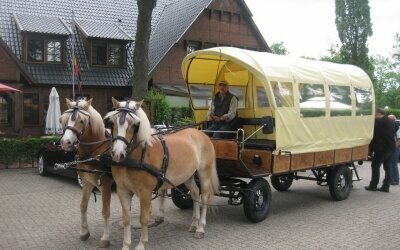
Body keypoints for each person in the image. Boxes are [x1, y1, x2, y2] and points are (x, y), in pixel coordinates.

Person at [365, 108, 396, 192]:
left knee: (375, 166)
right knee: (387, 167)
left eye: (374, 114)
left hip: (381, 148)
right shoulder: (391, 121)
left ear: (378, 113)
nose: (374, 116)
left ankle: (373, 185)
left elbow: (372, 133)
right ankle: (386, 187)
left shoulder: (378, 122)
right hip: (391, 147)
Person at [388, 114, 400, 185]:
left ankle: (395, 180)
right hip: (391, 148)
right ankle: (391, 179)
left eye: (389, 119)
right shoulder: (391, 127)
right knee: (390, 164)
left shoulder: (398, 128)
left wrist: (394, 147)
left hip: (395, 148)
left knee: (393, 164)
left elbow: (399, 140)